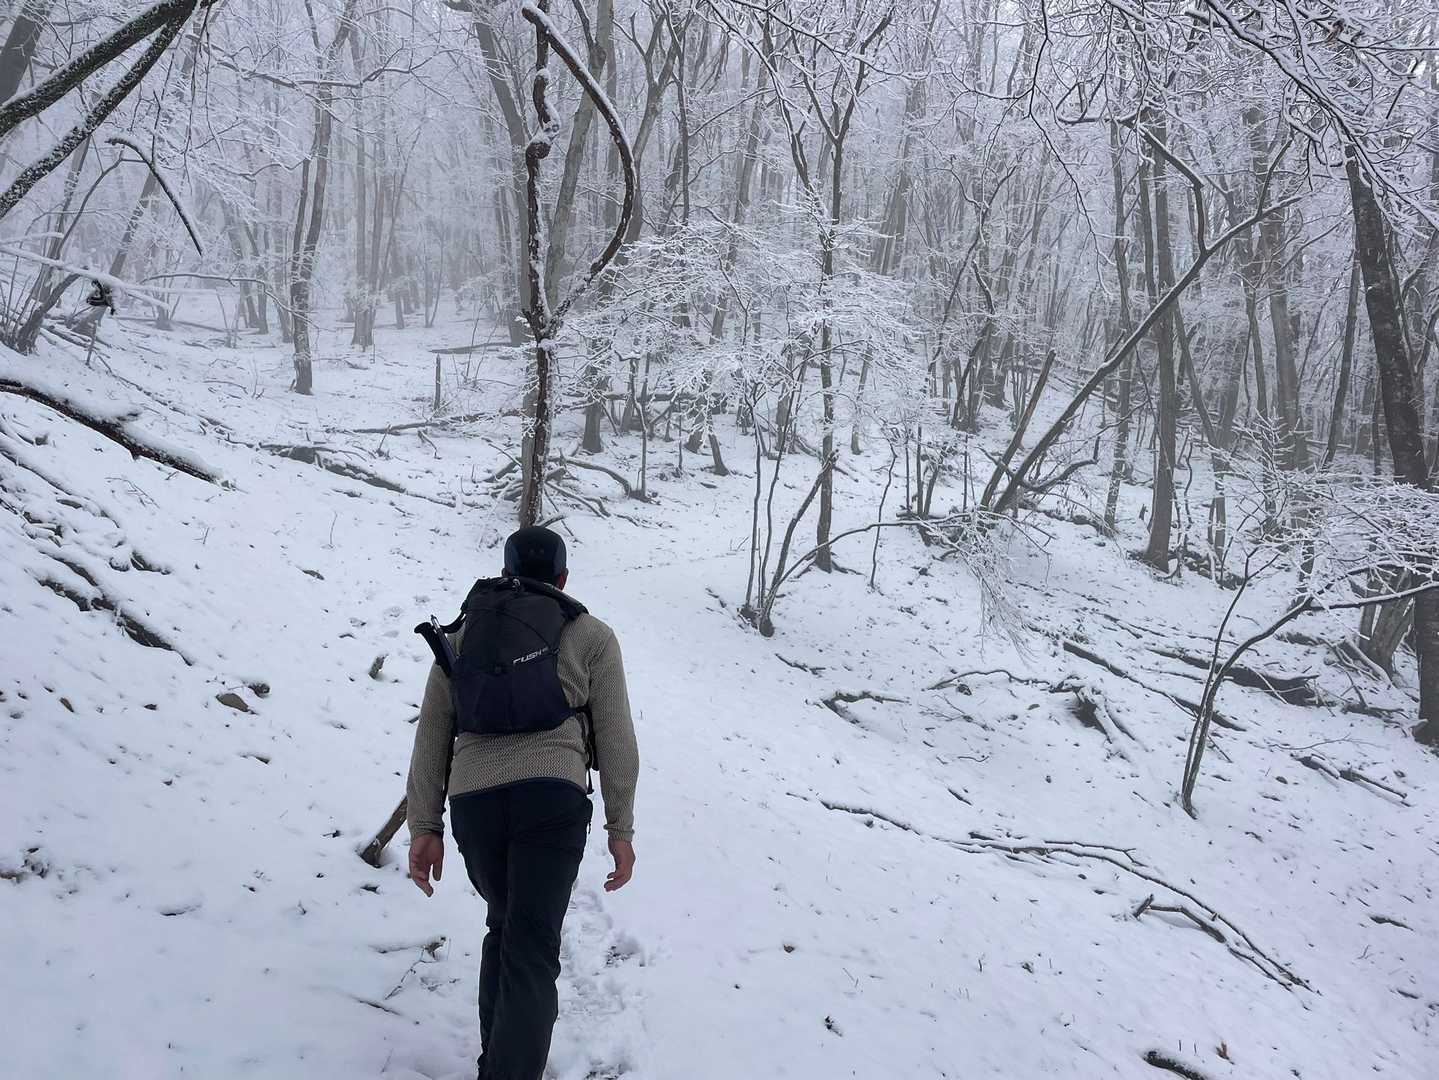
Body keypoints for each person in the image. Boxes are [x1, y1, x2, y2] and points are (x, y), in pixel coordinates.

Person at [406, 525, 639, 1080]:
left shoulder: (465, 631)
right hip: (552, 799)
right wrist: (621, 829)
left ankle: (497, 1065)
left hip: (474, 802)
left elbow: (432, 731)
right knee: (532, 945)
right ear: (563, 578)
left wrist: (425, 825)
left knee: (505, 927)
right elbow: (617, 738)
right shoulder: (591, 635)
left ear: (506, 572)